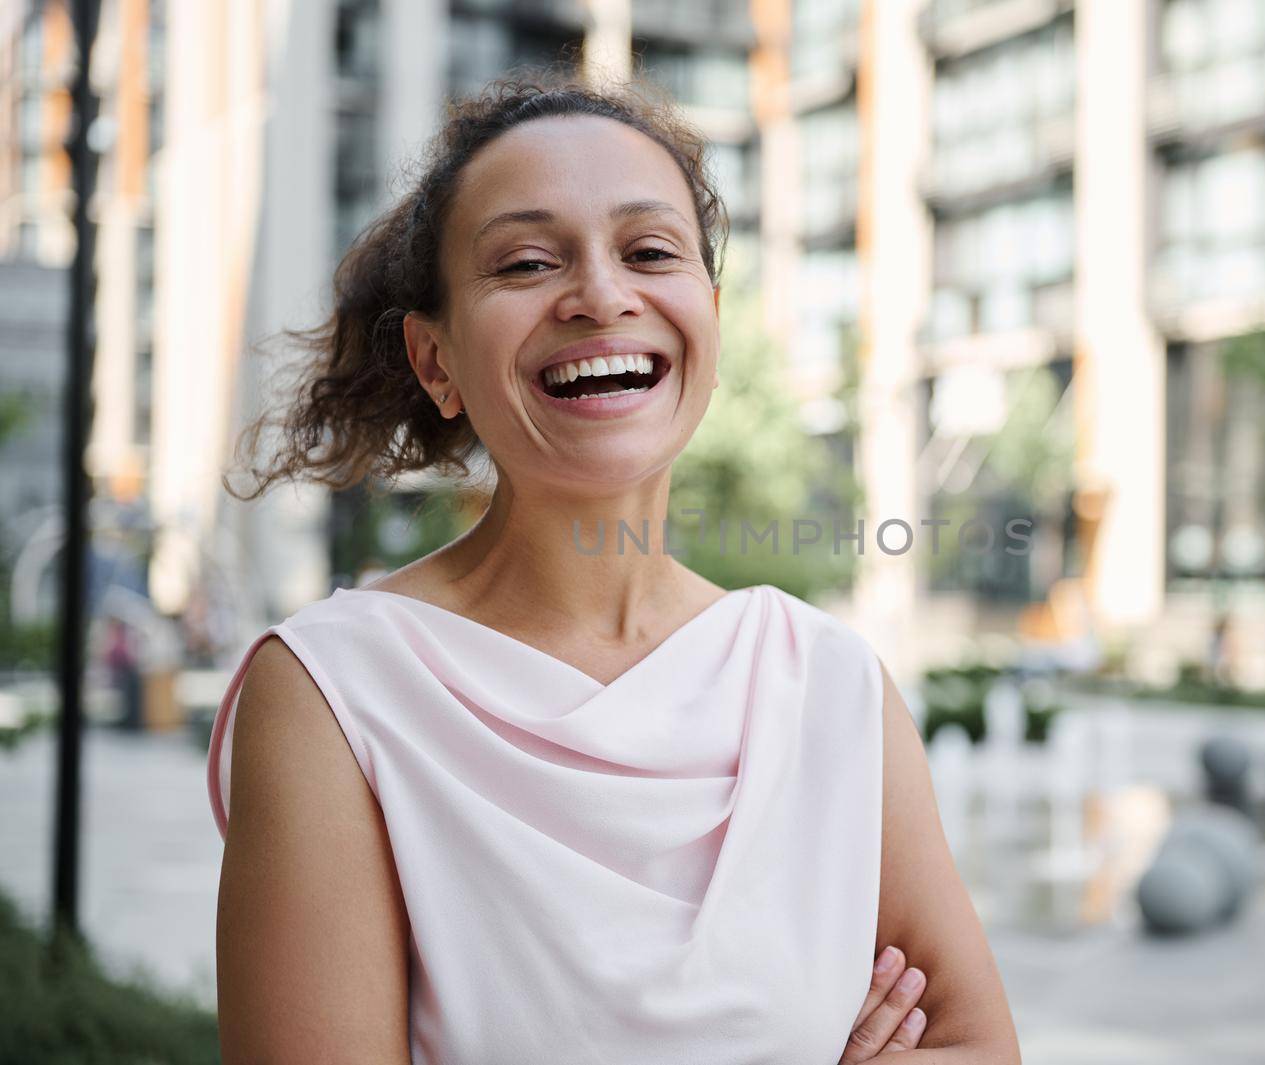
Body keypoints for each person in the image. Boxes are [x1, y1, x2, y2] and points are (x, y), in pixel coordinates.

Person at [208, 71, 1019, 1065]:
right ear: (436, 362)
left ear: (708, 319)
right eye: (527, 263)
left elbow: (973, 1045)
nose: (600, 295)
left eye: (648, 251)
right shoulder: (333, 694)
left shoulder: (828, 682)